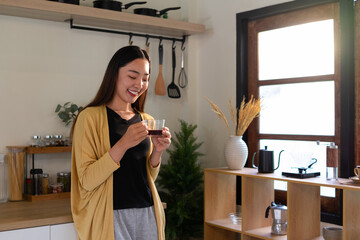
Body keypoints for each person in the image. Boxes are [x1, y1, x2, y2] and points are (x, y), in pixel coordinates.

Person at [70, 45, 171, 240]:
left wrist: (157, 152)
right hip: (110, 215)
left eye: (145, 78)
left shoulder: (146, 119)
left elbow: (147, 176)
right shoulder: (89, 118)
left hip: (147, 212)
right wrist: (123, 144)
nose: (139, 84)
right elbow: (87, 180)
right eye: (132, 76)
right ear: (114, 75)